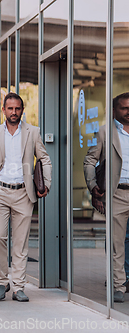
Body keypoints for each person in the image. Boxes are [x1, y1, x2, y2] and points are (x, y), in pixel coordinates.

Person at [0, 92, 51, 302]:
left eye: (17, 108)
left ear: (22, 110)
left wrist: (46, 182)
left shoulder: (33, 132)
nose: (14, 112)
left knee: (20, 242)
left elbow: (44, 158)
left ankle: (19, 286)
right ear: (3, 110)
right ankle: (2, 281)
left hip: (23, 193)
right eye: (10, 108)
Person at [84, 92, 129, 303]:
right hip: (117, 193)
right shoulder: (104, 132)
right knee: (116, 244)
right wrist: (93, 186)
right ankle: (119, 286)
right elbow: (90, 160)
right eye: (124, 108)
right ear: (114, 111)